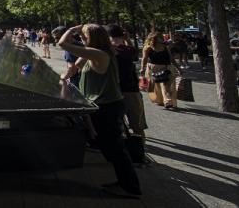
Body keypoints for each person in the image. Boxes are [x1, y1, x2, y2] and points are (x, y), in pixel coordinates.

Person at [59, 24, 141, 198]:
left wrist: (72, 29)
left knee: (115, 149)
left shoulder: (99, 54)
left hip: (108, 106)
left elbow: (62, 44)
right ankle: (125, 182)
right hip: (100, 105)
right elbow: (75, 67)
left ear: (93, 37)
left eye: (83, 35)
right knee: (107, 146)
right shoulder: (91, 52)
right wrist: (64, 77)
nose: (81, 37)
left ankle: (130, 187)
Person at [109, 25, 146, 145]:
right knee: (137, 124)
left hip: (114, 90)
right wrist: (127, 39)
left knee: (116, 123)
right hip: (131, 89)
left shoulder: (108, 50)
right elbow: (133, 52)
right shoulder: (129, 50)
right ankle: (140, 150)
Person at [141, 31, 177, 110]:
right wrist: (142, 69)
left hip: (161, 68)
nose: (162, 38)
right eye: (161, 37)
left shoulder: (161, 47)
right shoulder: (152, 48)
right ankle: (166, 101)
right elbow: (144, 59)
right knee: (163, 86)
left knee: (162, 86)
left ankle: (166, 101)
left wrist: (142, 69)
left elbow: (171, 58)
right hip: (161, 68)